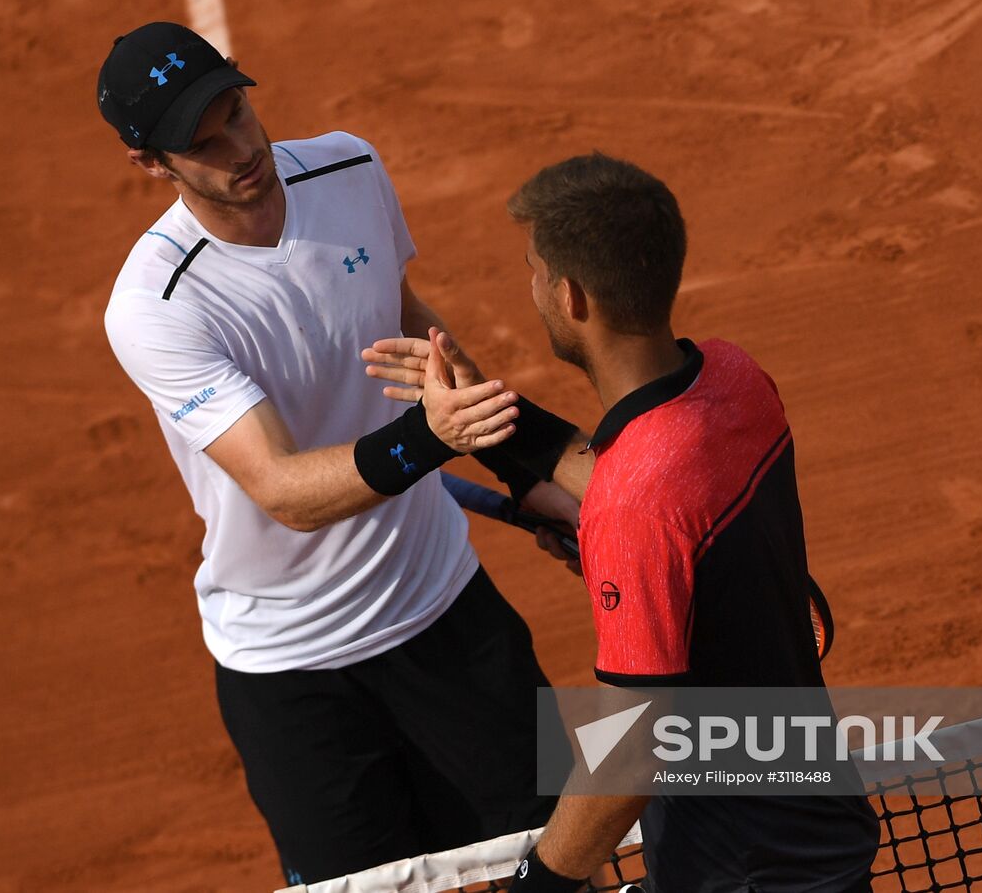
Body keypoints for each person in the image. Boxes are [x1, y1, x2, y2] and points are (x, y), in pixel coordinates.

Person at [94, 21, 570, 885]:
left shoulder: (350, 167)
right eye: (203, 145)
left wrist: (521, 472)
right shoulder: (157, 307)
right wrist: (432, 436)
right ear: (152, 166)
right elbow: (281, 488)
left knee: (567, 861)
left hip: (444, 612)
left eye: (237, 112)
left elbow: (412, 327)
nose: (240, 148)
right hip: (293, 672)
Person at [365, 154, 879, 891]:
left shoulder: (634, 506)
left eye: (535, 271)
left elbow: (636, 745)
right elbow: (659, 490)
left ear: (570, 296)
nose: (533, 287)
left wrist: (541, 884)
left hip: (742, 872)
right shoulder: (737, 379)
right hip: (817, 838)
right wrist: (482, 404)